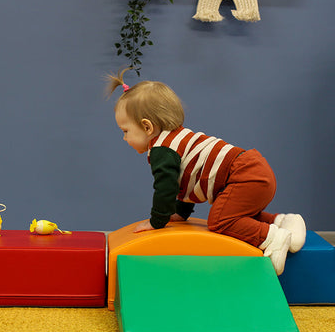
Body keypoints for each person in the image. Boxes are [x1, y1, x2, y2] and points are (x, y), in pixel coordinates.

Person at [105, 69, 306, 275]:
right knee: (236, 212)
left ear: (147, 127)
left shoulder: (162, 150)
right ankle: (280, 221)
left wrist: (157, 220)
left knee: (220, 221)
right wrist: (180, 213)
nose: (124, 138)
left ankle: (273, 237)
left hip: (244, 176)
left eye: (125, 131)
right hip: (253, 171)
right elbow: (187, 180)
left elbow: (166, 188)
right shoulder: (178, 138)